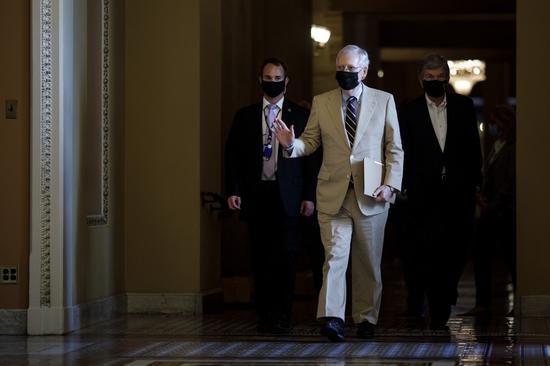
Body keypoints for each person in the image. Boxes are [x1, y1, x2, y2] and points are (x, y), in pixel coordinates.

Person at [273, 44, 404, 341]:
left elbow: (394, 148)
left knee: (368, 262)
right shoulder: (323, 102)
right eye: (340, 68)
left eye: (350, 69)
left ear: (364, 71)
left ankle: (366, 317)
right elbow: (310, 141)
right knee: (334, 257)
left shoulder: (384, 101)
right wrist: (291, 145)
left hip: (372, 193)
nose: (344, 74)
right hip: (333, 195)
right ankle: (333, 318)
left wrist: (391, 184)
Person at [224, 57, 318, 333]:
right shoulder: (245, 116)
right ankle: (264, 315)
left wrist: (309, 196)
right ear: (259, 80)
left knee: (286, 258)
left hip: (288, 196)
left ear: (286, 82)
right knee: (259, 257)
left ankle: (283, 315)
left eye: (278, 78)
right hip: (256, 195)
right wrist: (233, 190)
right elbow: (233, 157)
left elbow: (311, 160)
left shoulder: (300, 116)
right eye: (268, 77)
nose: (272, 82)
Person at [398, 54, 482, 329]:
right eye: (429, 78)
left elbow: (472, 147)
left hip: (458, 193)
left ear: (447, 78)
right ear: (421, 79)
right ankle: (437, 302)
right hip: (423, 194)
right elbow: (404, 151)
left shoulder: (464, 106)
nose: (435, 82)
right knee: (427, 249)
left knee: (456, 249)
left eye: (440, 77)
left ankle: (445, 293)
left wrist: (475, 184)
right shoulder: (409, 111)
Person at [463, 105, 516, 316]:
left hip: (503, 210)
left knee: (511, 258)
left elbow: (510, 181)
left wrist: (494, 204)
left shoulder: (513, 147)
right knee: (481, 255)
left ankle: (507, 304)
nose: (492, 126)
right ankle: (482, 303)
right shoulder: (497, 144)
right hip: (489, 207)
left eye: (495, 122)